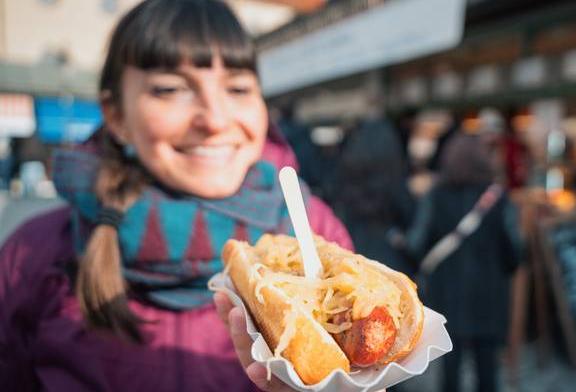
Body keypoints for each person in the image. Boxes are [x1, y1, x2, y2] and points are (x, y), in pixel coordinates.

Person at [0, 1, 352, 391]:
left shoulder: (318, 234)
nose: (216, 120)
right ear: (116, 116)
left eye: (237, 88)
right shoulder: (32, 255)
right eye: (171, 89)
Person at [405, 131, 523, 392]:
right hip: (489, 299)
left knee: (449, 375)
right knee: (488, 374)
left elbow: (416, 246)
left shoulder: (434, 197)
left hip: (446, 298)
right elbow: (515, 255)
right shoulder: (498, 199)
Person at [331, 118, 416, 275]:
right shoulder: (393, 175)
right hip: (387, 252)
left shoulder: (346, 170)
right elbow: (408, 213)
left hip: (352, 245)